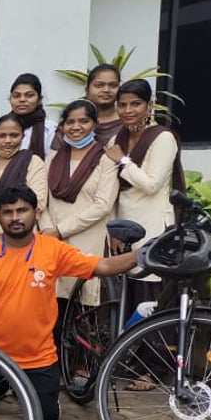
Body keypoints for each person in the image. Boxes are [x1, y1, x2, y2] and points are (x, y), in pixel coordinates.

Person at [0, 185, 139, 420]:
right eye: (7, 212)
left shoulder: (52, 249)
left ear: (35, 213)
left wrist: (140, 256)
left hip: (38, 358)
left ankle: (29, 391)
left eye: (22, 210)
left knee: (47, 418)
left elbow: (103, 267)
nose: (15, 218)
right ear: (0, 216)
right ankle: (7, 387)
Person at [104, 78, 183, 311]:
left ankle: (157, 349)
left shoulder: (162, 138)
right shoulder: (116, 139)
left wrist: (123, 161)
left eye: (135, 104)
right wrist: (113, 229)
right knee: (126, 296)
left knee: (152, 297)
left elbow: (152, 184)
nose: (128, 111)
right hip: (124, 230)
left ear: (149, 106)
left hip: (153, 225)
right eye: (122, 104)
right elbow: (112, 192)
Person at [43, 100, 119, 307]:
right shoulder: (54, 157)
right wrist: (48, 229)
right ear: (62, 126)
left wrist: (60, 229)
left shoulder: (105, 160)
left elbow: (102, 205)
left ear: (95, 124)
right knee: (54, 302)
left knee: (84, 300)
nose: (76, 127)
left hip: (88, 239)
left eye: (83, 121)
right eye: (70, 122)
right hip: (52, 240)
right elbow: (42, 199)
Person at [0, 115, 50, 243]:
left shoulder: (32, 161)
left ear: (22, 137)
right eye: (2, 136)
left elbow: (38, 200)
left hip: (20, 234)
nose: (8, 140)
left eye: (14, 135)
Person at [0, 73, 56, 161]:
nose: (22, 100)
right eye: (16, 96)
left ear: (39, 99)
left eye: (29, 95)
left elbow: (52, 165)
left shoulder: (50, 130)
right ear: (10, 99)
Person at [85, 64, 124, 146]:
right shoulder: (73, 122)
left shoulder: (128, 122)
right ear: (87, 90)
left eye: (113, 85)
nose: (106, 90)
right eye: (99, 85)